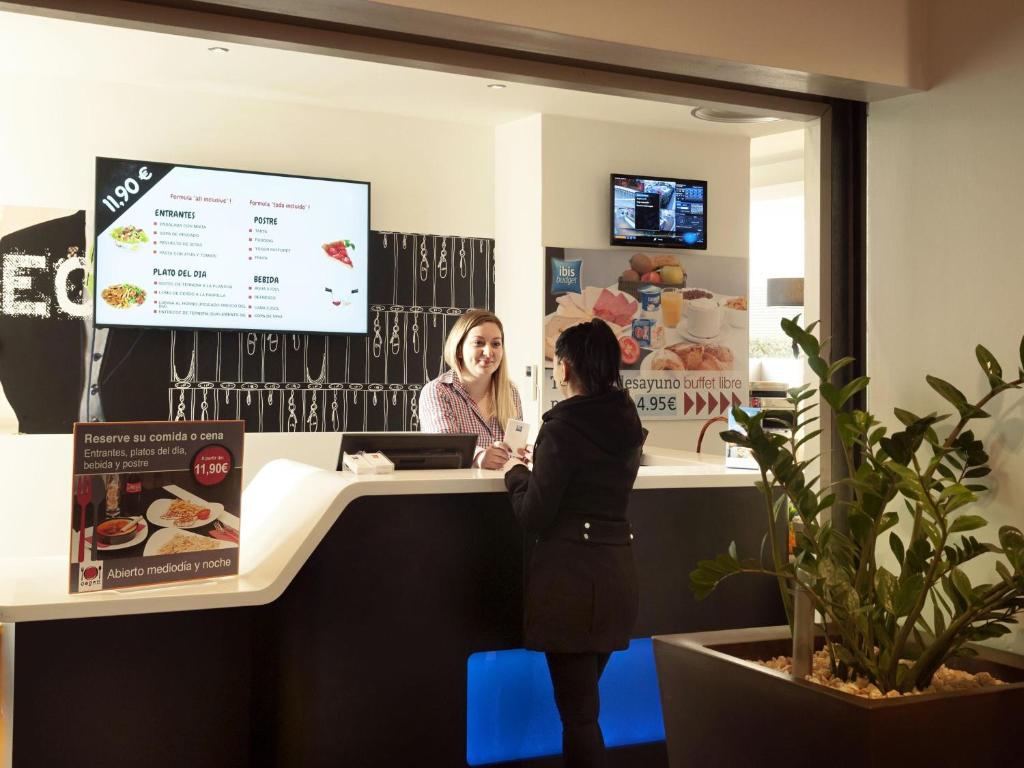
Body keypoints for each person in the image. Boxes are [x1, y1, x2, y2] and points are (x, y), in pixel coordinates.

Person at [502, 319, 644, 768]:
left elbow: (534, 515)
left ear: (563, 369)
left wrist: (517, 475)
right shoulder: (627, 419)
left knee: (580, 718)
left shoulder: (562, 429)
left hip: (571, 586)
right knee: (585, 708)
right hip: (616, 578)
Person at [419, 308, 523, 469]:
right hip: (458, 492)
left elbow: (514, 451)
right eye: (478, 343)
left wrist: (525, 455)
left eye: (496, 344)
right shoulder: (438, 391)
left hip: (505, 490)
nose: (489, 352)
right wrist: (480, 457)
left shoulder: (511, 393)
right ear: (459, 349)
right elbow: (444, 447)